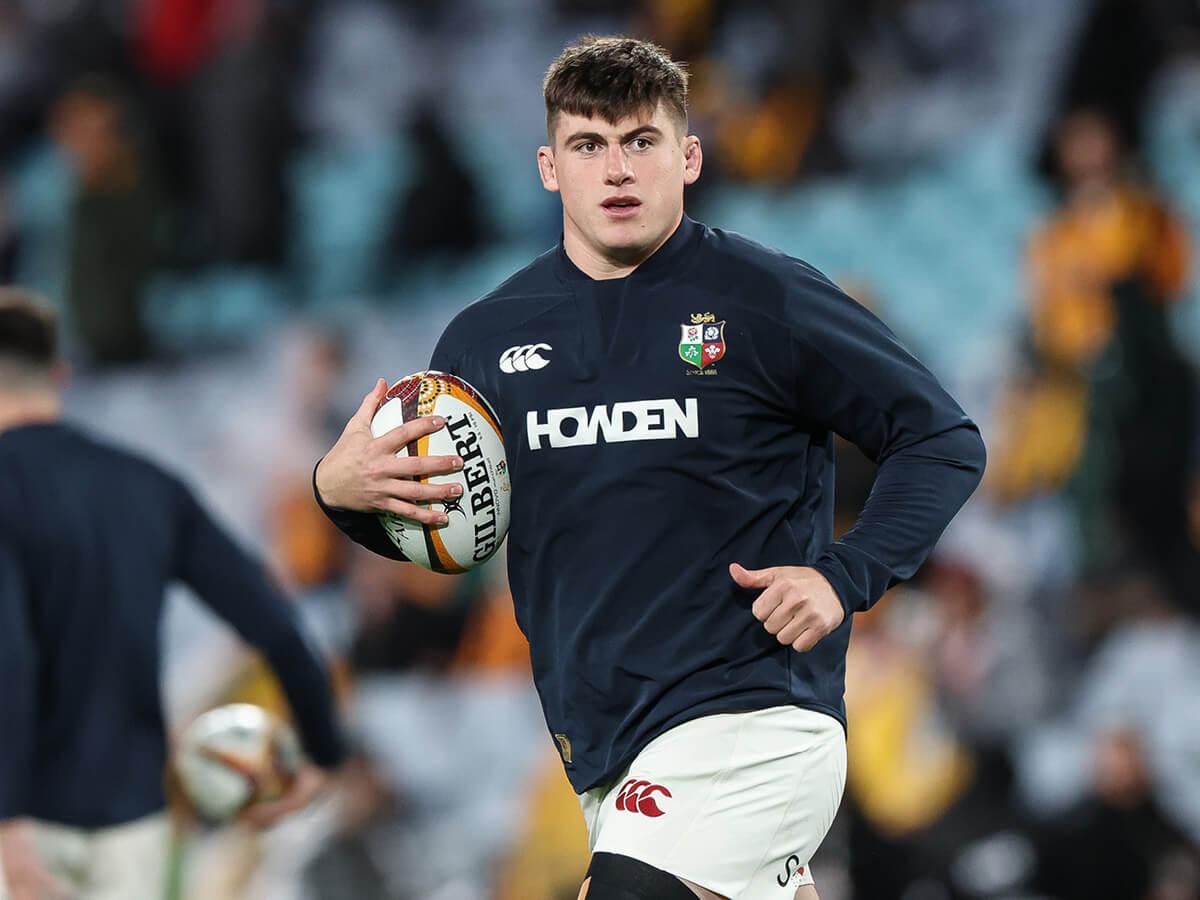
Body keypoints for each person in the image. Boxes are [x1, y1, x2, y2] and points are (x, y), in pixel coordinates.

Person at [314, 36, 986, 900]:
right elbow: (449, 535)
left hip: (752, 718)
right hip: (604, 749)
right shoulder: (483, 343)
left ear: (689, 157)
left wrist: (844, 575)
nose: (617, 169)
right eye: (588, 144)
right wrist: (342, 496)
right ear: (550, 168)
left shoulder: (764, 298)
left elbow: (941, 438)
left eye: (642, 141)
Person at [0, 288, 347, 900]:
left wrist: (9, 819)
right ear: (59, 374)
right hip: (135, 821)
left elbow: (11, 655)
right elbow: (273, 622)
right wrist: (322, 750)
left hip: (24, 819)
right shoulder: (148, 485)